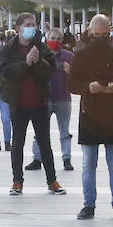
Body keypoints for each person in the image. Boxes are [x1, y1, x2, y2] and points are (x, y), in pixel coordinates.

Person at [67, 14, 113, 220]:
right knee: (88, 163)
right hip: (89, 113)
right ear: (89, 32)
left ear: (109, 32)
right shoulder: (81, 55)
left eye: (103, 34)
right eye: (95, 34)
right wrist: (88, 87)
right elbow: (72, 84)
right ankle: (88, 204)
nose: (99, 38)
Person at [0, 13, 63, 196]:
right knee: (17, 143)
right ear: (19, 28)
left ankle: (52, 181)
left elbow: (51, 68)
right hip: (18, 103)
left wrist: (37, 62)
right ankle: (17, 181)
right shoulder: (9, 49)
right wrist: (26, 63)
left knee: (45, 143)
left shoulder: (41, 47)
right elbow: (6, 72)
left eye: (33, 25)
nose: (31, 28)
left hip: (40, 102)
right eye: (27, 24)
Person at [29, 28, 73, 171]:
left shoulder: (69, 56)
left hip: (63, 98)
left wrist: (71, 71)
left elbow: (77, 77)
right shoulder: (40, 54)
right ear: (47, 38)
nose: (56, 41)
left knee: (65, 131)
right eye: (53, 38)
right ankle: (37, 158)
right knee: (40, 130)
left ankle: (67, 158)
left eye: (59, 38)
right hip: (44, 98)